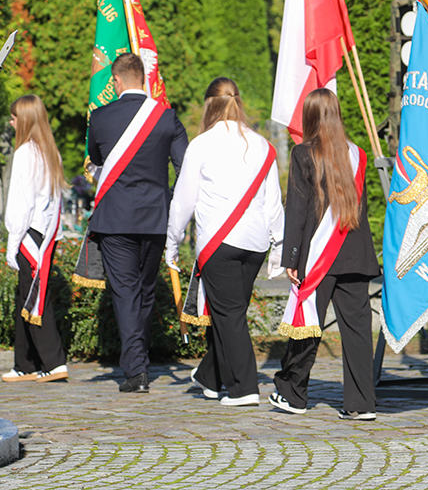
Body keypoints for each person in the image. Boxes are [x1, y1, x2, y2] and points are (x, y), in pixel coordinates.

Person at [165, 77, 284, 407]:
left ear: (208, 106)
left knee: (229, 316)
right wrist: (279, 245)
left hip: (219, 243)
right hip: (256, 243)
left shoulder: (201, 145)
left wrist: (171, 243)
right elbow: (274, 201)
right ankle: (209, 376)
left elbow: (183, 201)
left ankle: (244, 388)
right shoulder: (262, 144)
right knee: (228, 313)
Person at [270, 88, 381, 419]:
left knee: (306, 326)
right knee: (358, 332)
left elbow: (298, 211)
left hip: (319, 259)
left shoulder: (303, 153)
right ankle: (361, 405)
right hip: (357, 256)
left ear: (310, 116)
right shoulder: (358, 155)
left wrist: (290, 258)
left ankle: (293, 393)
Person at [88, 52, 188, 393]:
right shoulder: (167, 117)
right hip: (156, 219)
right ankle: (139, 361)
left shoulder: (100, 117)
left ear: (116, 81)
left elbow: (98, 160)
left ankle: (136, 371)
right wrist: (167, 198)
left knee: (126, 292)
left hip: (115, 219)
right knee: (144, 291)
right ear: (143, 78)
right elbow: (185, 169)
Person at [2, 95, 68, 383]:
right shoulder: (49, 151)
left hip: (29, 234)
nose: (10, 121)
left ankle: (54, 362)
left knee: (35, 299)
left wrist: (12, 242)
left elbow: (21, 202)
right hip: (45, 233)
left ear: (25, 120)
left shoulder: (26, 153)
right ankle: (25, 363)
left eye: (14, 117)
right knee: (24, 297)